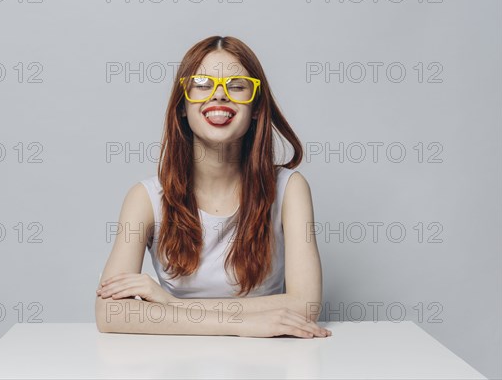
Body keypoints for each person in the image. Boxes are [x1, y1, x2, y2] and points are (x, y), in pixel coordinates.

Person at [95, 35, 332, 339]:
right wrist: (242, 324)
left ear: (257, 107)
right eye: (203, 85)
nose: (219, 96)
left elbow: (305, 305)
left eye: (236, 86)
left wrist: (172, 306)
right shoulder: (145, 199)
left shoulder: (290, 190)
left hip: (269, 359)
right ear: (182, 106)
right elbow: (109, 313)